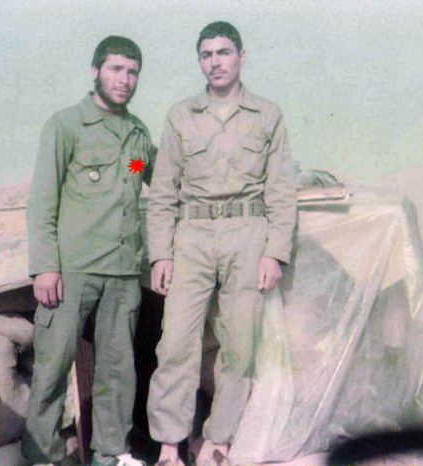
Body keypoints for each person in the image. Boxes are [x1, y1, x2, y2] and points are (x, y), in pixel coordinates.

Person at [146, 21, 297, 466]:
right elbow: (162, 190)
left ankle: (217, 441)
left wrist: (275, 252)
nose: (216, 62)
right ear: (199, 62)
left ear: (241, 57)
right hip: (192, 235)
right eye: (207, 54)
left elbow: (281, 189)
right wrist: (160, 253)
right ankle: (169, 446)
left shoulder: (267, 115)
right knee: (176, 342)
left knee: (240, 344)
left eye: (224, 52)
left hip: (247, 234)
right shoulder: (180, 115)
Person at [22, 35, 156, 466]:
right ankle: (41, 456)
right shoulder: (66, 126)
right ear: (95, 71)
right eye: (116, 69)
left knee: (118, 372)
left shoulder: (136, 135)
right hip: (72, 270)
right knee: (52, 367)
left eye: (132, 72)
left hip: (122, 271)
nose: (124, 79)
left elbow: (150, 174)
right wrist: (45, 266)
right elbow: (43, 201)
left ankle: (110, 453)